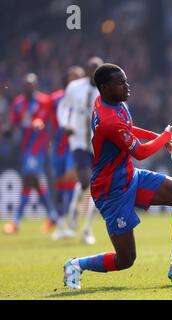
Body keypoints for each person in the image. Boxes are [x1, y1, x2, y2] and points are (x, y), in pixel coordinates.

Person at [63, 64, 172, 290]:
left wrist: (157, 136)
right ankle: (76, 264)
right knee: (126, 260)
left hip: (129, 176)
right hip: (111, 190)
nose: (127, 86)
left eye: (126, 80)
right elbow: (140, 153)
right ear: (104, 87)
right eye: (120, 83)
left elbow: (128, 129)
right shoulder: (108, 120)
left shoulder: (112, 103)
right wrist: (165, 136)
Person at [3, 73, 58, 234]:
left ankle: (16, 221)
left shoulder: (44, 101)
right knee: (32, 181)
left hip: (39, 147)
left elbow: (48, 119)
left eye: (31, 84)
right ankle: (52, 214)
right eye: (26, 84)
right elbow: (13, 123)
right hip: (26, 147)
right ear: (23, 86)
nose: (29, 87)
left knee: (29, 179)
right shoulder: (18, 103)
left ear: (36, 85)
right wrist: (7, 130)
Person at [58, 57, 103, 244]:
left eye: (97, 69)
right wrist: (65, 123)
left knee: (94, 186)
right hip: (78, 140)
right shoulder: (75, 87)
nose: (94, 72)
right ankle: (75, 216)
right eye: (91, 68)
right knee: (87, 180)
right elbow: (63, 106)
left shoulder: (106, 90)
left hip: (97, 142)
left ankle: (86, 229)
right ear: (87, 70)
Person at [49, 66, 86, 240]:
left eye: (79, 77)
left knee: (72, 179)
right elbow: (50, 121)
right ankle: (61, 222)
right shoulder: (56, 98)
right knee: (60, 184)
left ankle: (71, 219)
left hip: (75, 145)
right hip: (59, 146)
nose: (75, 80)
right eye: (73, 77)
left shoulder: (85, 97)